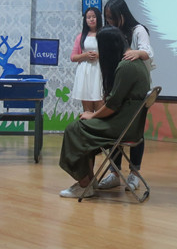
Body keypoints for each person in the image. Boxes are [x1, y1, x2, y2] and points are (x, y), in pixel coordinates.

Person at [59, 26, 151, 198]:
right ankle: (89, 181)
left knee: (75, 129)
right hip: (130, 124)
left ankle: (84, 184)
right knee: (81, 127)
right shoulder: (136, 63)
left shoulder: (125, 66)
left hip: (122, 126)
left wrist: (92, 115)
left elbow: (112, 105)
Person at [99, 0, 155, 191]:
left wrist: (137, 53)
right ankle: (114, 173)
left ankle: (134, 173)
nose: (110, 21)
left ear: (122, 15)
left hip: (135, 89)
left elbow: (148, 52)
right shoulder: (112, 32)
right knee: (114, 128)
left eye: (112, 17)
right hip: (117, 84)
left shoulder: (138, 30)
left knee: (134, 129)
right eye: (107, 18)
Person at [70, 7, 104, 113]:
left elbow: (111, 54)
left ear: (99, 18)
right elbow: (73, 57)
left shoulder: (104, 34)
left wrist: (99, 55)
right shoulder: (80, 37)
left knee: (100, 105)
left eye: (94, 17)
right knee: (87, 109)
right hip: (84, 73)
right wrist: (84, 56)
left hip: (100, 71)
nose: (91, 19)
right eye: (89, 17)